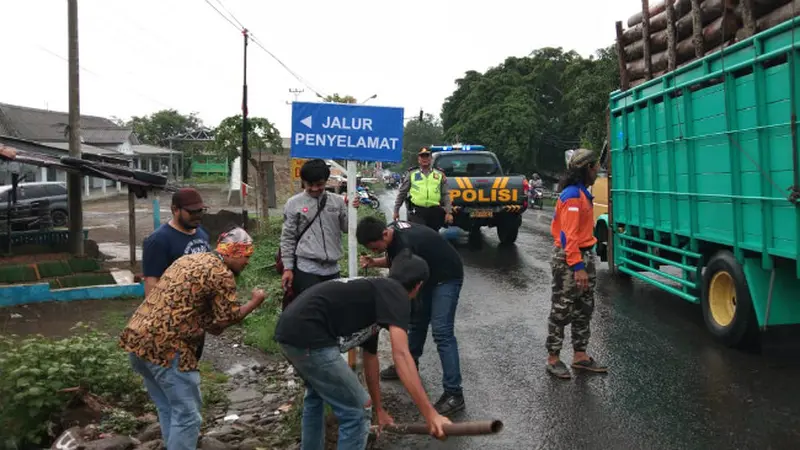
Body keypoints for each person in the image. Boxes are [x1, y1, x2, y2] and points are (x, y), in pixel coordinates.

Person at [274, 250, 451, 450]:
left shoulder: (375, 294)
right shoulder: (396, 293)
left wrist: (380, 410)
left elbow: (371, 359)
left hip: (289, 333)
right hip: (309, 337)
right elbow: (401, 355)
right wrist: (431, 414)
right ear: (418, 285)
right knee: (357, 410)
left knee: (316, 394)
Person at [120, 227, 266, 450]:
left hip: (137, 340)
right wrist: (255, 301)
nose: (247, 263)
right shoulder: (220, 272)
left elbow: (211, 324)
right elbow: (226, 319)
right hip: (167, 348)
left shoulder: (190, 260)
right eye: (246, 257)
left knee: (169, 408)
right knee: (188, 417)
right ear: (233, 253)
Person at [356, 216, 466, 416]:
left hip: (446, 277)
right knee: (417, 319)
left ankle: (454, 394)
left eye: (375, 248)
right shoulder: (392, 233)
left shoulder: (406, 244)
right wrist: (374, 262)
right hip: (426, 276)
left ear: (384, 234)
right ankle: (408, 365)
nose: (374, 252)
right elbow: (393, 260)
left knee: (442, 332)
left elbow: (397, 281)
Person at [545, 148, 608, 379]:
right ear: (586, 169)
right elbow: (567, 237)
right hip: (570, 258)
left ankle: (580, 356)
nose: (597, 171)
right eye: (594, 167)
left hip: (583, 254)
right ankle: (553, 358)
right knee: (562, 309)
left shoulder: (581, 193)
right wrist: (578, 266)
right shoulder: (572, 196)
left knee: (584, 308)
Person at [280, 159, 358, 307]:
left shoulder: (337, 202)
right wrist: (288, 268)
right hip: (307, 269)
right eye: (310, 185)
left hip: (333, 269)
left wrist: (353, 211)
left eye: (320, 185)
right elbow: (288, 238)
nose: (315, 189)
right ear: (303, 182)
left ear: (326, 181)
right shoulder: (293, 204)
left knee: (332, 310)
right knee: (311, 311)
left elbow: (347, 228)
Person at [142, 188, 211, 296]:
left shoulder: (202, 233)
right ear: (175, 210)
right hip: (175, 309)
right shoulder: (158, 240)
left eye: (200, 211)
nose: (197, 216)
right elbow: (151, 282)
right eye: (192, 212)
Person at [393, 147, 452, 231]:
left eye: (427, 156)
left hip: (434, 212)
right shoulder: (412, 174)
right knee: (419, 235)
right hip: (417, 212)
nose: (425, 159)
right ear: (418, 159)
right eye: (422, 157)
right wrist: (396, 211)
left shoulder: (439, 174)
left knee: (433, 236)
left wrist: (448, 212)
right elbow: (402, 193)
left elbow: (445, 194)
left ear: (431, 159)